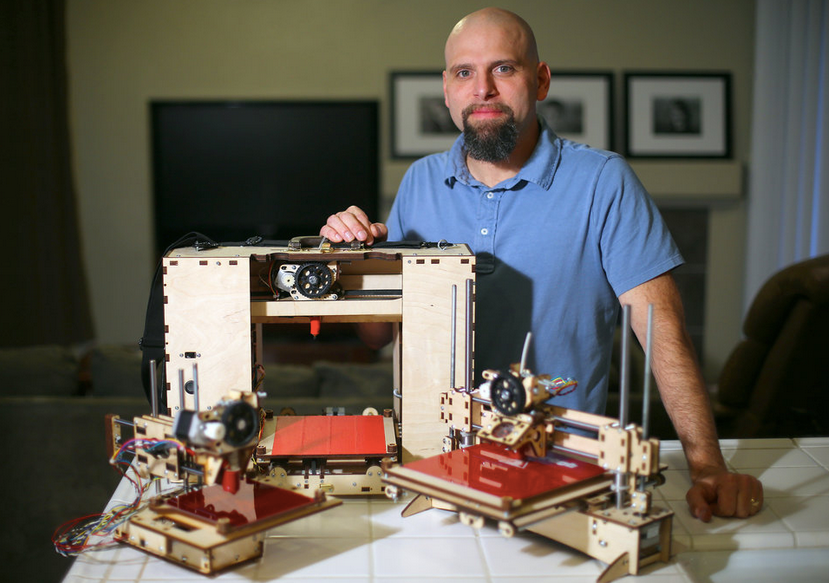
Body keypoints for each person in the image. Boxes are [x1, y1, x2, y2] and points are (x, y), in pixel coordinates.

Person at [320, 7, 762, 522]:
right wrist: (360, 264)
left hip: (563, 471)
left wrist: (707, 467)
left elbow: (664, 335)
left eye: (503, 69)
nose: (482, 88)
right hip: (436, 468)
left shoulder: (604, 182)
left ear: (541, 79)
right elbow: (376, 336)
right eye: (465, 72)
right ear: (447, 89)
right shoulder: (419, 182)